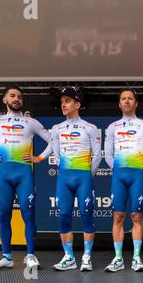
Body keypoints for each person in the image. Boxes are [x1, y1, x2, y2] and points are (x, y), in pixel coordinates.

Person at [0, 85, 53, 269]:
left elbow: (52, 141)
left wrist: (39, 158)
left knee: (28, 214)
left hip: (23, 173)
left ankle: (30, 256)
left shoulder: (30, 122)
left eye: (19, 96)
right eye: (12, 96)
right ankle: (7, 257)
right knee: (3, 214)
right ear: (5, 100)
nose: (16, 99)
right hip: (3, 175)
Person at [104, 89, 143, 272]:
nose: (126, 101)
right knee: (118, 216)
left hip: (137, 176)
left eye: (130, 98)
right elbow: (108, 155)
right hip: (119, 175)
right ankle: (118, 258)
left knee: (136, 216)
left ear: (136, 103)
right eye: (123, 99)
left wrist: (140, 171)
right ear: (119, 104)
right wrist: (117, 169)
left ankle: (136, 258)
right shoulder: (112, 127)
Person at [51, 86, 102, 271]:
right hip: (64, 176)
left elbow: (97, 156)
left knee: (87, 214)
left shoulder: (90, 128)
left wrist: (87, 175)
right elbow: (56, 156)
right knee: (64, 215)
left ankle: (87, 257)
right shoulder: (56, 129)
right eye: (62, 101)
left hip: (83, 176)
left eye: (68, 101)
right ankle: (69, 257)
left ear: (77, 104)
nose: (63, 104)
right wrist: (66, 169)